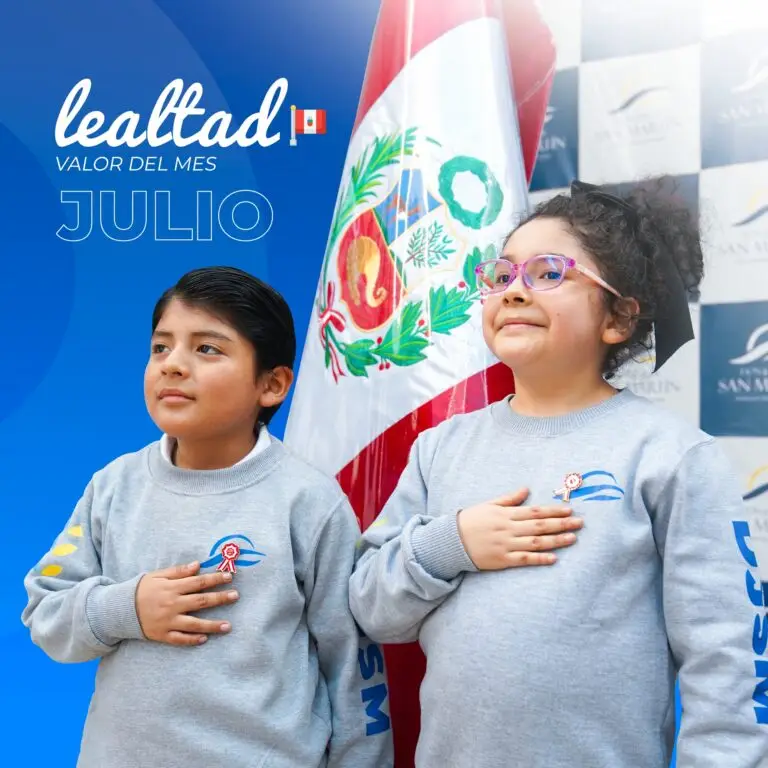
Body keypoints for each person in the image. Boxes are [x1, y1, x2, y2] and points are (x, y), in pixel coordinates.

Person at [349, 180, 768, 767]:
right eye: (502, 275)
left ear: (618, 318)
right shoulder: (440, 448)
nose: (515, 291)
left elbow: (729, 659)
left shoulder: (670, 454)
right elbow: (371, 609)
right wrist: (453, 543)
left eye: (549, 273)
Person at [22, 266, 393, 768]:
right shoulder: (113, 487)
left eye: (207, 348)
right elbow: (45, 611)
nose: (173, 365)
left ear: (272, 384)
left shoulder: (309, 501)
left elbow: (352, 667)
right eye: (161, 347)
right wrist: (126, 608)